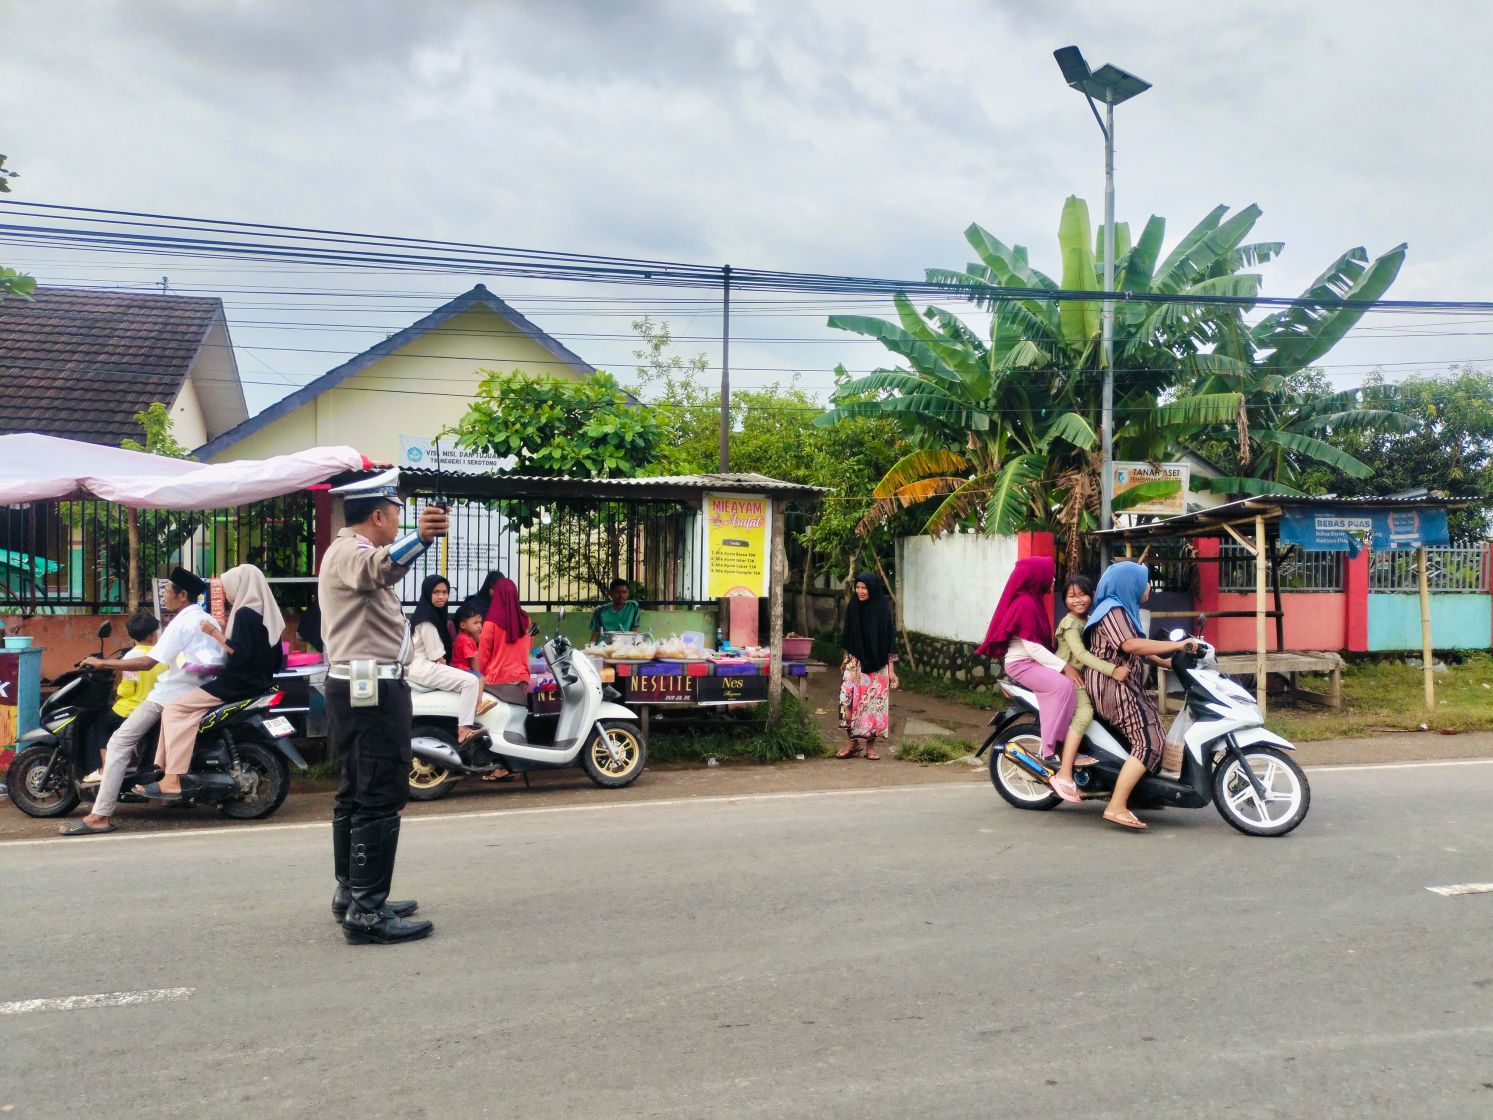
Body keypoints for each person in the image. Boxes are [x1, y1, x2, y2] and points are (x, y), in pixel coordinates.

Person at [320, 472, 444, 945]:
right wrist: (423, 538)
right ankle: (367, 913)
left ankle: (353, 892)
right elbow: (380, 567)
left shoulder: (343, 551)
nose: (399, 521)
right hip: (369, 693)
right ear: (378, 515)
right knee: (378, 791)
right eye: (396, 514)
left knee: (357, 790)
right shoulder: (353, 553)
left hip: (359, 689)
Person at [61, 567, 217, 836]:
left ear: (182, 595)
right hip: (197, 691)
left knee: (118, 743)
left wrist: (102, 663)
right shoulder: (207, 620)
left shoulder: (179, 623)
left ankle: (99, 815)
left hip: (169, 694)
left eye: (168, 590)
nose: (164, 595)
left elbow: (146, 662)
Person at [134, 563, 285, 801]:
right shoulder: (267, 613)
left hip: (236, 683)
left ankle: (172, 779)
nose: (225, 594)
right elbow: (277, 660)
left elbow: (240, 653)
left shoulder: (245, 613)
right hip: (258, 682)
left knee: (175, 709)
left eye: (227, 588)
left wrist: (214, 634)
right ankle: (162, 772)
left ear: (241, 585)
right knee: (182, 711)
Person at [1083, 561, 1197, 831]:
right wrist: (1177, 644)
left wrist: (1169, 662)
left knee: (1154, 731)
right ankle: (1116, 805)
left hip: (1126, 685)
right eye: (1145, 581)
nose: (1148, 587)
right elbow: (1130, 644)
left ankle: (1140, 791)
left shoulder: (1124, 609)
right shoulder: (1112, 610)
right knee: (1149, 743)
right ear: (1129, 584)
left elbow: (1137, 650)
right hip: (1113, 687)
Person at [976, 556, 1076, 776]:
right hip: (1023, 664)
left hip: (1031, 662)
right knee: (1062, 687)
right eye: (1049, 573)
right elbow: (1032, 648)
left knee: (1071, 689)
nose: (1053, 578)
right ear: (1036, 576)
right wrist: (1065, 667)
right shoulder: (1025, 603)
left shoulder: (1032, 600)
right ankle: (1051, 749)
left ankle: (1066, 741)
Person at [1046, 574, 1131, 803]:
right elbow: (1081, 654)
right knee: (1085, 714)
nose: (1077, 600)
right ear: (1064, 600)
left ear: (1092, 595)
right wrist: (1112, 670)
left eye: (1082, 595)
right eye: (1071, 597)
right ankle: (1064, 772)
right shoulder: (1070, 623)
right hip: (1069, 678)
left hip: (1085, 678)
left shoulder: (1092, 619)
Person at [79, 610, 165, 788]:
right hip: (160, 707)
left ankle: (105, 769)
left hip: (132, 708)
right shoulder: (162, 654)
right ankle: (143, 778)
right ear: (153, 633)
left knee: (101, 724)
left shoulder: (131, 656)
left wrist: (117, 691)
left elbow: (127, 689)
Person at [406, 574, 491, 745]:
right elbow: (436, 655)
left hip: (423, 666)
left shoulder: (432, 613)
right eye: (436, 592)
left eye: (445, 592)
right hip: (425, 667)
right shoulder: (427, 619)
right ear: (428, 593)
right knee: (470, 681)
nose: (441, 596)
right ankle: (464, 729)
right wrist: (451, 669)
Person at [836, 571, 898, 760]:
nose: (860, 591)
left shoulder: (882, 610)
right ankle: (852, 743)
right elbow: (848, 637)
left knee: (873, 706)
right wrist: (845, 659)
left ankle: (870, 747)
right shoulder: (853, 606)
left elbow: (889, 641)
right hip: (854, 664)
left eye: (864, 587)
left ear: (872, 588)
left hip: (878, 667)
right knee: (846, 700)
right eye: (858, 587)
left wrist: (892, 671)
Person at [476, 574, 532, 698]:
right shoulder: (526, 620)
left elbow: (483, 656)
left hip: (497, 681)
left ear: (497, 595)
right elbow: (527, 647)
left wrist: (479, 677)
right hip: (521, 679)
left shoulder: (491, 623)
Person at [590, 578, 641, 643]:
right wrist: (590, 648)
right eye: (617, 592)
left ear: (628, 593)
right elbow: (596, 633)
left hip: (625, 646)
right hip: (603, 647)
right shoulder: (600, 610)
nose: (621, 595)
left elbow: (634, 630)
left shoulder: (633, 607)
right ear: (610, 593)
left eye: (624, 592)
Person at [452, 604, 483, 674]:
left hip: (458, 668)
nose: (479, 626)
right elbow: (473, 660)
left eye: (480, 622)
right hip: (463, 669)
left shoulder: (463, 636)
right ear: (463, 625)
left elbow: (479, 641)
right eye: (475, 623)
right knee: (481, 680)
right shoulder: (466, 640)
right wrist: (479, 675)